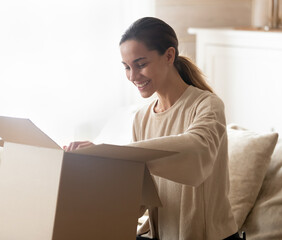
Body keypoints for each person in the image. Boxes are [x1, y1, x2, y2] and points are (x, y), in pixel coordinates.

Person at [67, 17, 243, 240]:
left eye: (141, 64)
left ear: (169, 56)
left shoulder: (207, 105)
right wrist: (93, 167)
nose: (132, 76)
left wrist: (112, 152)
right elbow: (139, 197)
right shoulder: (141, 118)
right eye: (127, 67)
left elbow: (197, 151)